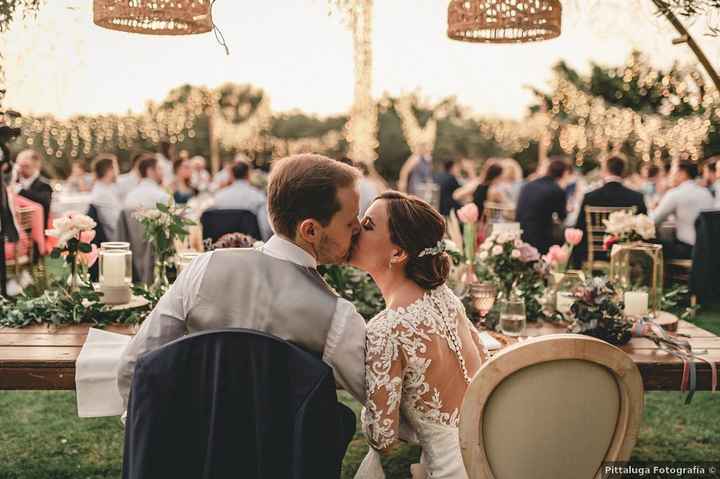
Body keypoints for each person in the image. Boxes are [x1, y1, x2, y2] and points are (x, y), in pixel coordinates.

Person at [117, 153, 364, 465]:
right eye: (350, 220)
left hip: (192, 461)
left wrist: (155, 441)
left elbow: (132, 365)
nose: (358, 228)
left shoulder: (204, 268)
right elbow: (382, 397)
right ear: (311, 231)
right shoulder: (336, 317)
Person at [350, 191, 487, 479]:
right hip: (491, 448)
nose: (355, 228)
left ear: (398, 253)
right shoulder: (445, 296)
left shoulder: (385, 329)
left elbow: (382, 438)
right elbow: (483, 360)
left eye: (367, 225)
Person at [572, 156, 647, 268]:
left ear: (605, 171)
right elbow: (643, 228)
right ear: (623, 172)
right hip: (625, 255)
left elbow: (579, 227)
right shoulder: (636, 197)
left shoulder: (590, 197)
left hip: (596, 254)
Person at [651, 161, 714, 259]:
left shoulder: (675, 193)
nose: (670, 176)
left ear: (682, 173)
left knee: (650, 243)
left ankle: (661, 273)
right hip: (708, 249)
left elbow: (653, 221)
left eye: (673, 172)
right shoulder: (706, 193)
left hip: (687, 249)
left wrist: (654, 204)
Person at [516, 158, 569, 254]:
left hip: (520, 233)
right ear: (564, 173)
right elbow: (562, 217)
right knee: (565, 238)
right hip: (540, 238)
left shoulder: (529, 185)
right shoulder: (557, 190)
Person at [212, 158, 273, 240]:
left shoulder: (218, 197)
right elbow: (265, 228)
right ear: (248, 174)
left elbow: (214, 225)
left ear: (231, 175)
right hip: (252, 245)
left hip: (224, 245)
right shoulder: (258, 197)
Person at [12, 149, 53, 227]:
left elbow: (43, 201)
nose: (21, 168)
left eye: (26, 165)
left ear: (36, 165)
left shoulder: (44, 185)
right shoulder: (13, 181)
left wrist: (20, 191)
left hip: (37, 229)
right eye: (19, 164)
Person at [88, 154, 121, 240]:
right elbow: (115, 223)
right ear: (109, 171)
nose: (118, 171)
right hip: (114, 239)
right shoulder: (102, 193)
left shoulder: (105, 188)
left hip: (115, 234)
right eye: (116, 168)